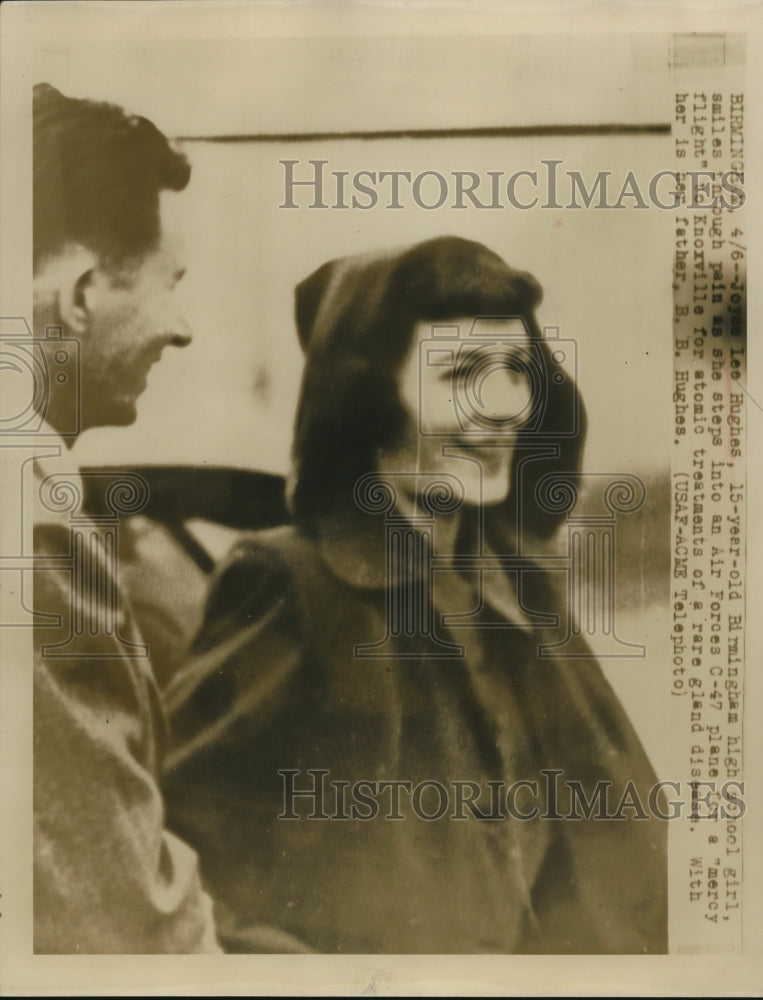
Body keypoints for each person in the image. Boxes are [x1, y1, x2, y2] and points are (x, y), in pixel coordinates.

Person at [164, 236, 667, 953]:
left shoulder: (522, 589)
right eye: (460, 373)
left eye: (516, 370)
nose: (504, 407)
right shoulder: (289, 583)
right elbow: (176, 857)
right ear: (369, 398)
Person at [32, 82, 219, 952]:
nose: (181, 329)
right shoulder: (32, 530)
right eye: (168, 285)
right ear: (80, 295)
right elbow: (124, 916)